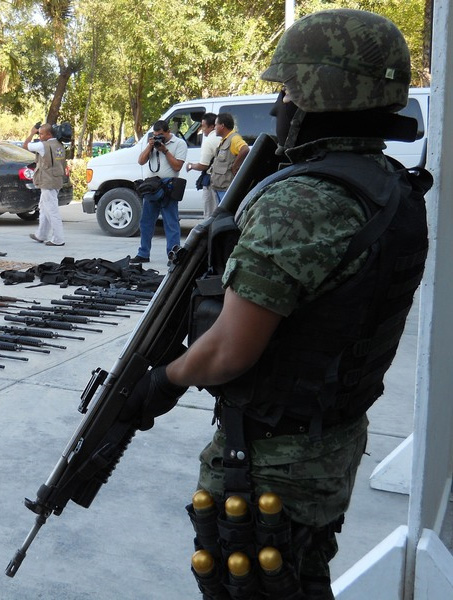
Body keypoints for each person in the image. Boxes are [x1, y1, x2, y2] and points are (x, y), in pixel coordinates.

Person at [124, 9, 430, 599]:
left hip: (270, 459)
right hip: (330, 440)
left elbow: (229, 351)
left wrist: (162, 381)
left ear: (323, 91)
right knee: (300, 578)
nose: (281, 104)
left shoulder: (303, 200)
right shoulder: (388, 182)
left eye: (289, 89)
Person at [130, 120, 187, 264]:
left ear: (168, 132)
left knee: (171, 223)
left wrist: (165, 150)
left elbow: (177, 166)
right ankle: (143, 253)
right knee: (146, 222)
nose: (158, 138)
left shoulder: (179, 143)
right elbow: (141, 161)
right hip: (152, 187)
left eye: (160, 135)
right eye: (155, 135)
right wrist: (150, 146)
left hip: (169, 186)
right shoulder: (152, 143)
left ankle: (173, 255)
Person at [24, 122, 66, 246]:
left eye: (41, 134)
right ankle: (41, 234)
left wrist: (32, 133)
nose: (40, 136)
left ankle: (58, 239)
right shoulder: (59, 145)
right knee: (43, 208)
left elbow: (25, 146)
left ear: (49, 134)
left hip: (48, 182)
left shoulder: (43, 146)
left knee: (52, 211)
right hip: (56, 180)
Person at [186, 113, 221, 217]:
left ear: (212, 126)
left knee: (210, 213)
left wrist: (191, 166)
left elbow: (203, 165)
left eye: (204, 126)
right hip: (224, 179)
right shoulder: (225, 138)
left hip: (212, 180)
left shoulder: (209, 141)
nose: (202, 129)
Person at [209, 113, 249, 204]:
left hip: (227, 189)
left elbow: (245, 149)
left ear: (222, 126)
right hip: (220, 187)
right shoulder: (225, 140)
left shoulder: (234, 138)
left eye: (216, 125)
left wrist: (235, 166)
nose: (214, 128)